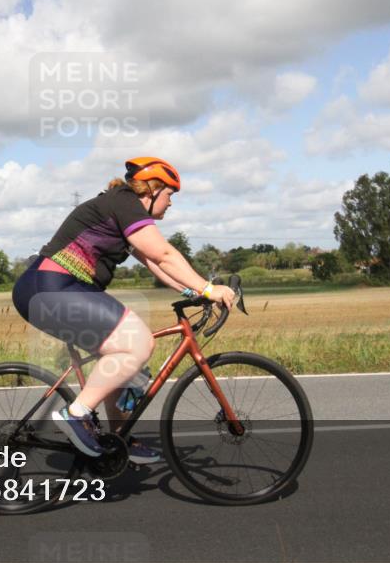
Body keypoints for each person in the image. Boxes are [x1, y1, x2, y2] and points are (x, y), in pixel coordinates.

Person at [12, 157, 235, 464]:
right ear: (153, 190)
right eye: (170, 195)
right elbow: (165, 253)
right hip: (51, 288)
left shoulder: (123, 211)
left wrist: (194, 291)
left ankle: (118, 439)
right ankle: (76, 414)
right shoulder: (125, 201)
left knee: (120, 359)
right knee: (138, 343)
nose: (171, 204)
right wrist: (209, 289)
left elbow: (156, 263)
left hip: (57, 289)